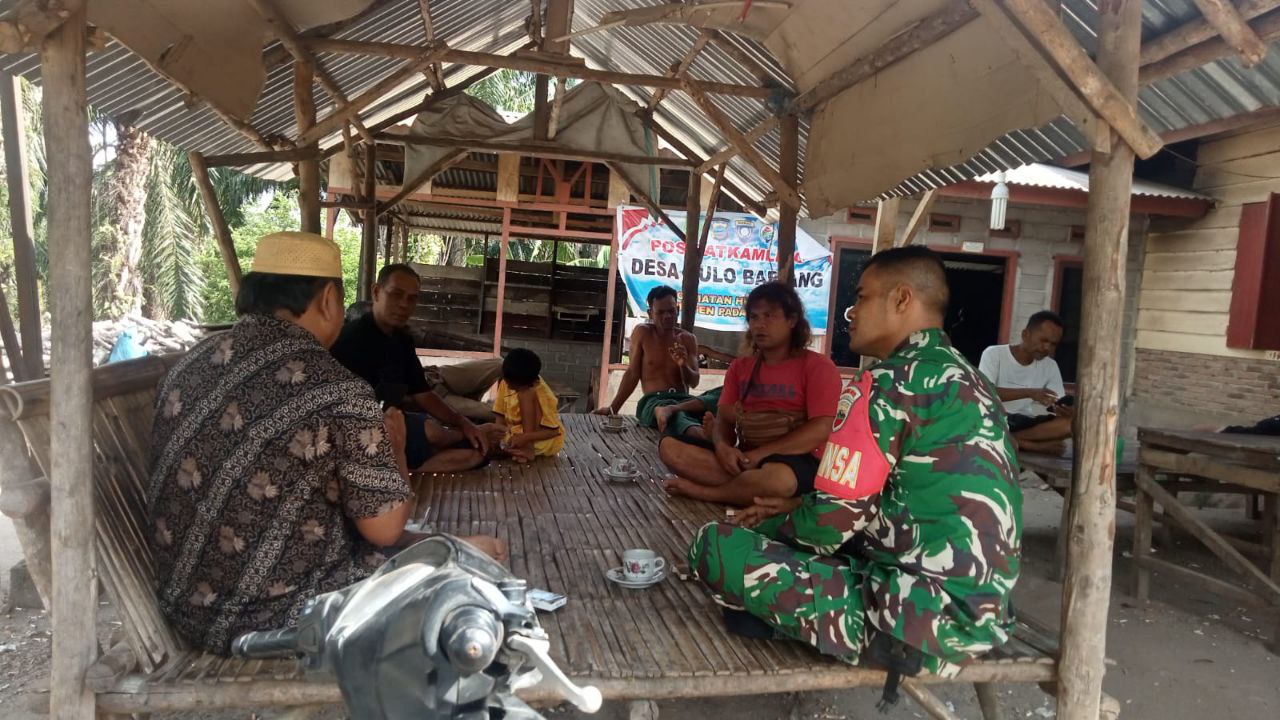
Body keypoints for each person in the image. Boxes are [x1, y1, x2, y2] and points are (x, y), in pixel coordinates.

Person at [146, 232, 506, 655]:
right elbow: (385, 529)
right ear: (329, 300)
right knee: (476, 566)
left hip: (186, 607)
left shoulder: (188, 365)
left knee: (447, 548)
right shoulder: (338, 389)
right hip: (277, 620)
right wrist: (395, 448)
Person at [687, 246, 1021, 682]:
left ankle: (793, 622)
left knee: (714, 544)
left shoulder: (886, 383)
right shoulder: (974, 381)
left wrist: (767, 528)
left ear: (902, 299)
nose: (851, 312)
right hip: (986, 612)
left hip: (916, 623)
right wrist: (797, 508)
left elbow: (828, 525)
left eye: (861, 297)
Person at [660, 282, 840, 506]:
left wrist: (760, 455)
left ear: (792, 320)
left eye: (769, 316)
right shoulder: (740, 367)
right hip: (745, 460)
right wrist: (723, 448)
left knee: (780, 481)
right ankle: (750, 490)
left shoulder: (818, 366)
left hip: (794, 462)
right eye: (754, 317)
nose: (759, 325)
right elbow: (724, 419)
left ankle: (708, 492)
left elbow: (822, 428)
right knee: (670, 448)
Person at [331, 264, 496, 472]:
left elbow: (423, 394)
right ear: (376, 292)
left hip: (394, 425)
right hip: (355, 432)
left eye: (412, 298)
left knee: (476, 454)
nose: (404, 304)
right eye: (396, 294)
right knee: (433, 433)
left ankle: (402, 466)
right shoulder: (348, 341)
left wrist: (465, 423)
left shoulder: (402, 341)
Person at [592, 286, 701, 428]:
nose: (667, 316)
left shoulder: (688, 339)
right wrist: (613, 409)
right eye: (660, 312)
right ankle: (695, 430)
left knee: (714, 399)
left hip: (681, 402)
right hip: (654, 402)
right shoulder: (643, 333)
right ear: (650, 313)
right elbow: (632, 374)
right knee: (677, 418)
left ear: (678, 310)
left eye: (671, 311)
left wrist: (683, 365)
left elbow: (694, 382)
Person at [978, 311, 1072, 453]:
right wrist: (1030, 393)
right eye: (1043, 340)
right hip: (994, 419)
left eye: (1053, 344)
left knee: (1071, 424)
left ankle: (1011, 440)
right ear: (1025, 335)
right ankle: (1032, 445)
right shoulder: (994, 354)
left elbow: (1057, 401)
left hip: (1023, 423)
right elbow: (985, 393)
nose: (1047, 348)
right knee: (974, 419)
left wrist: (1064, 410)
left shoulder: (1050, 366)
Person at [492, 348, 564, 462]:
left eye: (515, 386)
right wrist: (497, 440)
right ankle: (515, 451)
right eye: (508, 382)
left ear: (534, 382)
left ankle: (527, 449)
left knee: (525, 394)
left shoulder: (541, 392)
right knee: (488, 435)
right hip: (515, 435)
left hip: (541, 440)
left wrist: (526, 438)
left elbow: (553, 432)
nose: (509, 387)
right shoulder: (507, 381)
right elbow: (499, 418)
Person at [653, 386, 723, 440]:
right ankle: (700, 434)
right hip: (658, 398)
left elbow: (693, 383)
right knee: (676, 415)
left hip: (683, 398)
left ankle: (672, 408)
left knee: (722, 393)